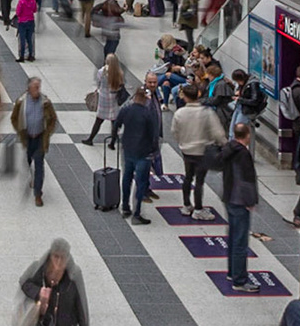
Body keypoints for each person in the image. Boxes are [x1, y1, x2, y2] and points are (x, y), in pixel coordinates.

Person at [212, 122, 260, 292]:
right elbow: (246, 179)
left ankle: (232, 272)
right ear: (247, 135)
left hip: (229, 197)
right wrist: (250, 201)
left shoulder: (229, 149)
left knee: (233, 236)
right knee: (240, 241)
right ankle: (240, 280)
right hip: (240, 200)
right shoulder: (243, 154)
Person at [171, 87, 225, 214]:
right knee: (199, 181)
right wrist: (223, 144)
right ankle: (198, 208)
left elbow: (174, 131)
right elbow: (218, 133)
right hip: (202, 151)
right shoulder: (206, 112)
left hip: (186, 150)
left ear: (185, 97)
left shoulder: (180, 113)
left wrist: (182, 142)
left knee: (188, 177)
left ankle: (186, 205)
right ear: (198, 94)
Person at [112, 85, 161, 224]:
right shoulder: (148, 113)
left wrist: (114, 139)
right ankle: (137, 212)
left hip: (128, 149)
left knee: (126, 178)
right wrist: (154, 150)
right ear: (145, 98)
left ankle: (125, 206)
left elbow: (116, 124)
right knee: (141, 182)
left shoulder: (126, 110)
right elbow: (154, 134)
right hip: (143, 152)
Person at [10, 76, 57, 207]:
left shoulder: (45, 102)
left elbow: (53, 119)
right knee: (28, 160)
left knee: (39, 165)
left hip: (40, 138)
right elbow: (13, 118)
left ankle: (37, 193)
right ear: (29, 88)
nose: (38, 89)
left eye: (39, 87)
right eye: (35, 87)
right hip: (27, 137)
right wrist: (19, 130)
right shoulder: (21, 102)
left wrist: (48, 132)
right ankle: (32, 177)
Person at [81, 53, 124, 147]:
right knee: (114, 121)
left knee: (99, 120)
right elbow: (121, 85)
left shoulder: (102, 71)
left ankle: (90, 139)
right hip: (114, 98)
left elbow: (98, 82)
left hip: (104, 97)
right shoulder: (119, 72)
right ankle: (112, 142)